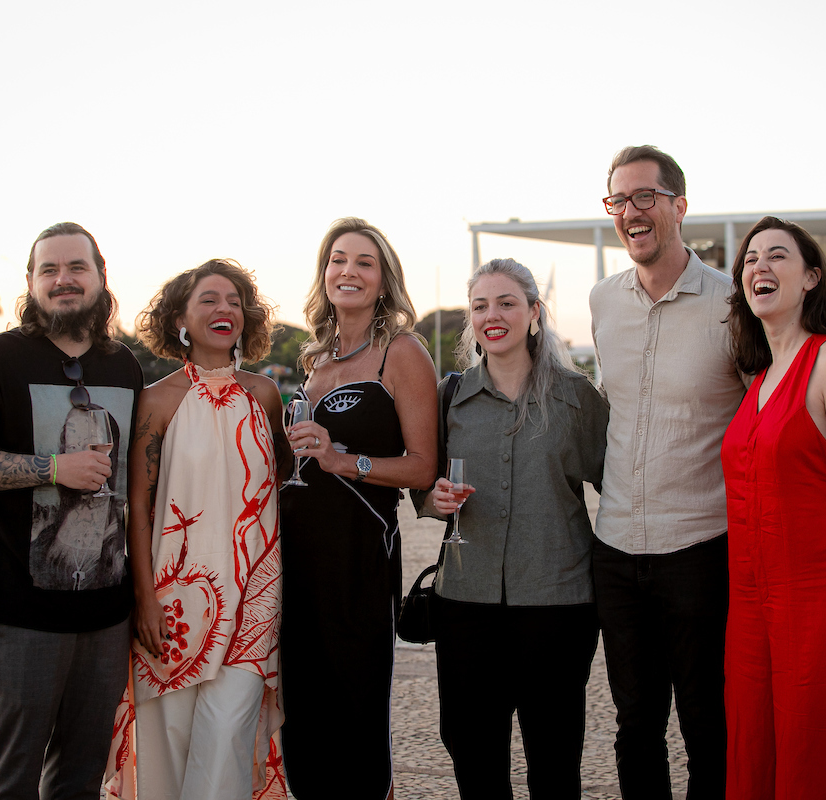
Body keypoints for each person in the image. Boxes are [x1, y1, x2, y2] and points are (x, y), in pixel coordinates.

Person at [589, 147, 826, 799]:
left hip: (700, 550)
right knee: (634, 727)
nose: (631, 211)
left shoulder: (733, 303)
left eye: (646, 197)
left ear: (678, 207)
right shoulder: (601, 302)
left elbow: (793, 416)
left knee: (710, 730)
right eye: (618, 200)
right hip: (615, 549)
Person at [0, 222, 143, 800]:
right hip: (20, 612)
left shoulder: (122, 365)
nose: (63, 280)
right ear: (30, 282)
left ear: (100, 278)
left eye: (77, 267)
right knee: (13, 775)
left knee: (80, 777)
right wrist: (53, 469)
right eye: (48, 269)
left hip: (106, 614)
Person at [417, 258, 609, 799]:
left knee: (554, 756)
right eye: (480, 306)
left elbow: (619, 485)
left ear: (534, 314)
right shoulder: (450, 398)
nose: (492, 315)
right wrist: (433, 498)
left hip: (559, 605)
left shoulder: (576, 398)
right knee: (473, 754)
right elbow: (421, 486)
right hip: (465, 603)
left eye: (506, 303)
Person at [104, 260, 292, 798]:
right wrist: (144, 599)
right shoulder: (158, 401)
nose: (224, 309)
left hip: (254, 598)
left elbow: (279, 480)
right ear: (180, 318)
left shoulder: (265, 396)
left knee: (229, 735)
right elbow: (137, 509)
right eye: (208, 300)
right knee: (169, 740)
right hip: (174, 599)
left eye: (233, 300)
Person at [722, 216, 826, 799]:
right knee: (754, 754)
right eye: (750, 259)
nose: (759, 266)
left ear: (812, 277)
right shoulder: (757, 378)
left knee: (816, 756)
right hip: (748, 610)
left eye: (778, 256)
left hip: (818, 603)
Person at [278, 217, 437, 799]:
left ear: (383, 279)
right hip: (297, 562)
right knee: (303, 714)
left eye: (364, 262)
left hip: (359, 558)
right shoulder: (314, 359)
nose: (348, 271)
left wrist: (345, 462)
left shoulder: (402, 352)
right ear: (324, 275)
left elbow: (422, 466)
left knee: (356, 712)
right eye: (338, 259)